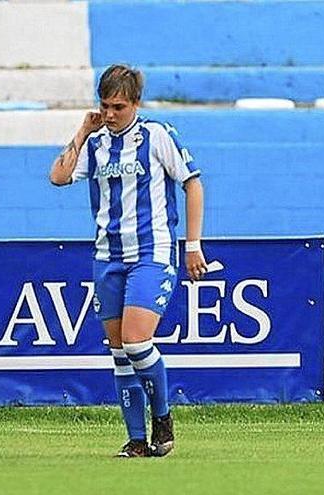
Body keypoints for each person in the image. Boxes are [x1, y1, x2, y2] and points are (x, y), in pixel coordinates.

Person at [49, 64, 207, 456]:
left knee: (137, 342)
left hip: (151, 253)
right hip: (107, 257)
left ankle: (163, 418)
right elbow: (58, 177)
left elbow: (192, 184)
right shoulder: (96, 142)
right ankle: (137, 440)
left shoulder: (156, 136)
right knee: (119, 353)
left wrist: (192, 245)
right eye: (104, 106)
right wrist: (83, 130)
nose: (110, 113)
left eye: (118, 106)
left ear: (136, 103)